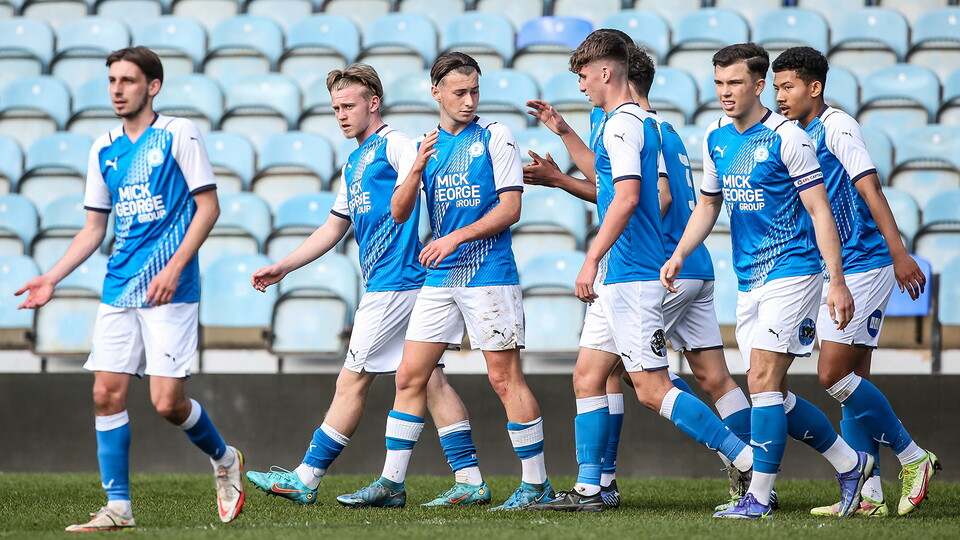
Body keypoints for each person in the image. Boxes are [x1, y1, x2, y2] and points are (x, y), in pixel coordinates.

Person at [15, 46, 244, 531]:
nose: (117, 90)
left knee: (167, 404)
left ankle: (225, 459)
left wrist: (174, 267)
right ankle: (118, 508)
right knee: (105, 394)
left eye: (128, 80)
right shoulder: (103, 147)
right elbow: (93, 228)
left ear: (152, 86)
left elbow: (209, 208)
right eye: (112, 81)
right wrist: (52, 276)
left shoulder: (178, 133)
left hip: (169, 287)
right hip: (119, 286)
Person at [525, 31, 753, 514]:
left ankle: (747, 459)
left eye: (584, 75)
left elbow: (630, 197)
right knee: (590, 375)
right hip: (639, 271)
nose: (581, 84)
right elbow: (613, 183)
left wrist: (591, 257)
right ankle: (592, 489)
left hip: (639, 273)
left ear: (607, 72)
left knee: (649, 388)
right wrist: (564, 133)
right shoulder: (643, 124)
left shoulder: (625, 125)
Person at [244, 64, 489, 508]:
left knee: (352, 379)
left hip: (397, 283)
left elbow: (429, 187)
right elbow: (333, 228)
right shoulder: (354, 162)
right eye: (336, 108)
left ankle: (306, 477)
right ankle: (469, 479)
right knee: (429, 381)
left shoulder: (395, 144)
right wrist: (284, 266)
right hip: (396, 283)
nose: (341, 115)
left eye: (349, 105)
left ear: (374, 103)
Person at [662, 43, 875, 520]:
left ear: (759, 85)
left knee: (760, 380)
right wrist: (679, 253)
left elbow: (820, 210)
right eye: (719, 83)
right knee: (771, 391)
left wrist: (837, 281)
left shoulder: (787, 137)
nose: (725, 92)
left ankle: (758, 497)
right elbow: (709, 204)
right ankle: (851, 464)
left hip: (794, 272)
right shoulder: (715, 136)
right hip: (749, 279)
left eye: (735, 83)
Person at [336, 52, 553, 511]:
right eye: (459, 93)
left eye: (475, 91)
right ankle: (393, 483)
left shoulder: (496, 136)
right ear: (435, 92)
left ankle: (536, 483)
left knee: (503, 378)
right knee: (409, 375)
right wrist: (415, 169)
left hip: (489, 274)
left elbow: (511, 209)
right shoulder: (424, 146)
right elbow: (399, 213)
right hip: (440, 279)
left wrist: (454, 237)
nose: (469, 101)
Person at [771, 46, 939, 517]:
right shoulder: (795, 134)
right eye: (776, 87)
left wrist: (899, 252)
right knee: (853, 381)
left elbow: (870, 187)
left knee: (832, 375)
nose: (779, 96)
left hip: (863, 265)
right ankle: (869, 497)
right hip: (838, 269)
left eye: (787, 87)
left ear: (814, 87)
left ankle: (914, 457)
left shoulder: (837, 127)